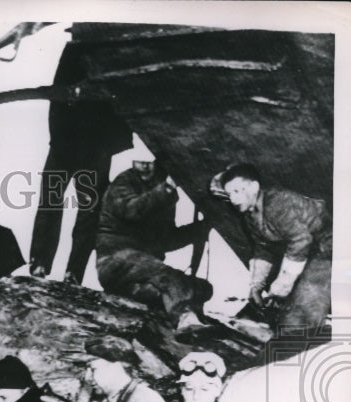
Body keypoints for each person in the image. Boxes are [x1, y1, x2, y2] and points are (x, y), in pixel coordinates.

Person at [28, 43, 133, 283]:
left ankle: (74, 272)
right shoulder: (75, 50)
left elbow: (123, 101)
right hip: (66, 143)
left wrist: (111, 147)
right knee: (50, 203)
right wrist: (56, 139)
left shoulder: (115, 53)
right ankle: (39, 264)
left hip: (95, 148)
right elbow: (57, 95)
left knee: (89, 212)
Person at [94, 140, 213, 336]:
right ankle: (186, 321)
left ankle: (144, 298)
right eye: (140, 161)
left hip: (140, 271)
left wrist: (200, 229)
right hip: (115, 260)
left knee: (201, 288)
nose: (146, 166)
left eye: (150, 161)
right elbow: (132, 210)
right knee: (168, 277)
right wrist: (166, 190)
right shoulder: (123, 184)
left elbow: (164, 239)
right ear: (133, 161)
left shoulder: (161, 188)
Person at [213, 162, 332, 332]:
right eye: (229, 193)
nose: (233, 199)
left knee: (304, 304)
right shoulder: (250, 216)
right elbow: (263, 248)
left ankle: (294, 342)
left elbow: (300, 241)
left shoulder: (277, 202)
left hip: (330, 247)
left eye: (237, 191)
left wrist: (283, 284)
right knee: (281, 306)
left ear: (254, 187)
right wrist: (257, 285)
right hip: (311, 253)